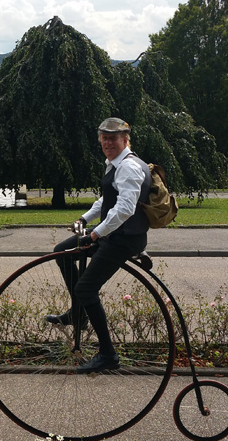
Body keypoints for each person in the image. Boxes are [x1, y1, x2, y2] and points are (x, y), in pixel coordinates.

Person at [48, 117, 151, 373]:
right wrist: (85, 219)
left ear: (125, 140)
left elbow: (125, 208)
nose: (107, 143)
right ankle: (78, 314)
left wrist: (95, 235)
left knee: (86, 288)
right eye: (104, 138)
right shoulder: (115, 164)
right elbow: (107, 199)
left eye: (113, 138)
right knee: (62, 252)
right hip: (113, 232)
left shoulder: (128, 167)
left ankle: (107, 354)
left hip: (122, 238)